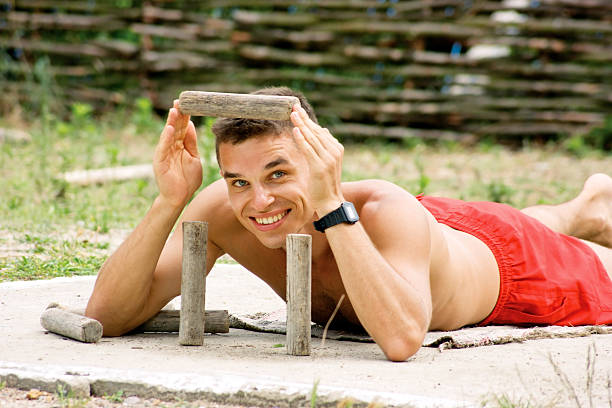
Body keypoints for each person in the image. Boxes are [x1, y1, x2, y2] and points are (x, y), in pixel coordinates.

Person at [85, 87, 612, 362]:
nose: (259, 200)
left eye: (278, 172)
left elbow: (404, 339)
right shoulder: (224, 209)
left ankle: (583, 214)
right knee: (526, 219)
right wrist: (169, 201)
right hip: (438, 234)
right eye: (239, 180)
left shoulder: (383, 209)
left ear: (317, 160)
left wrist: (331, 204)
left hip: (514, 270)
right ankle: (584, 206)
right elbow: (106, 316)